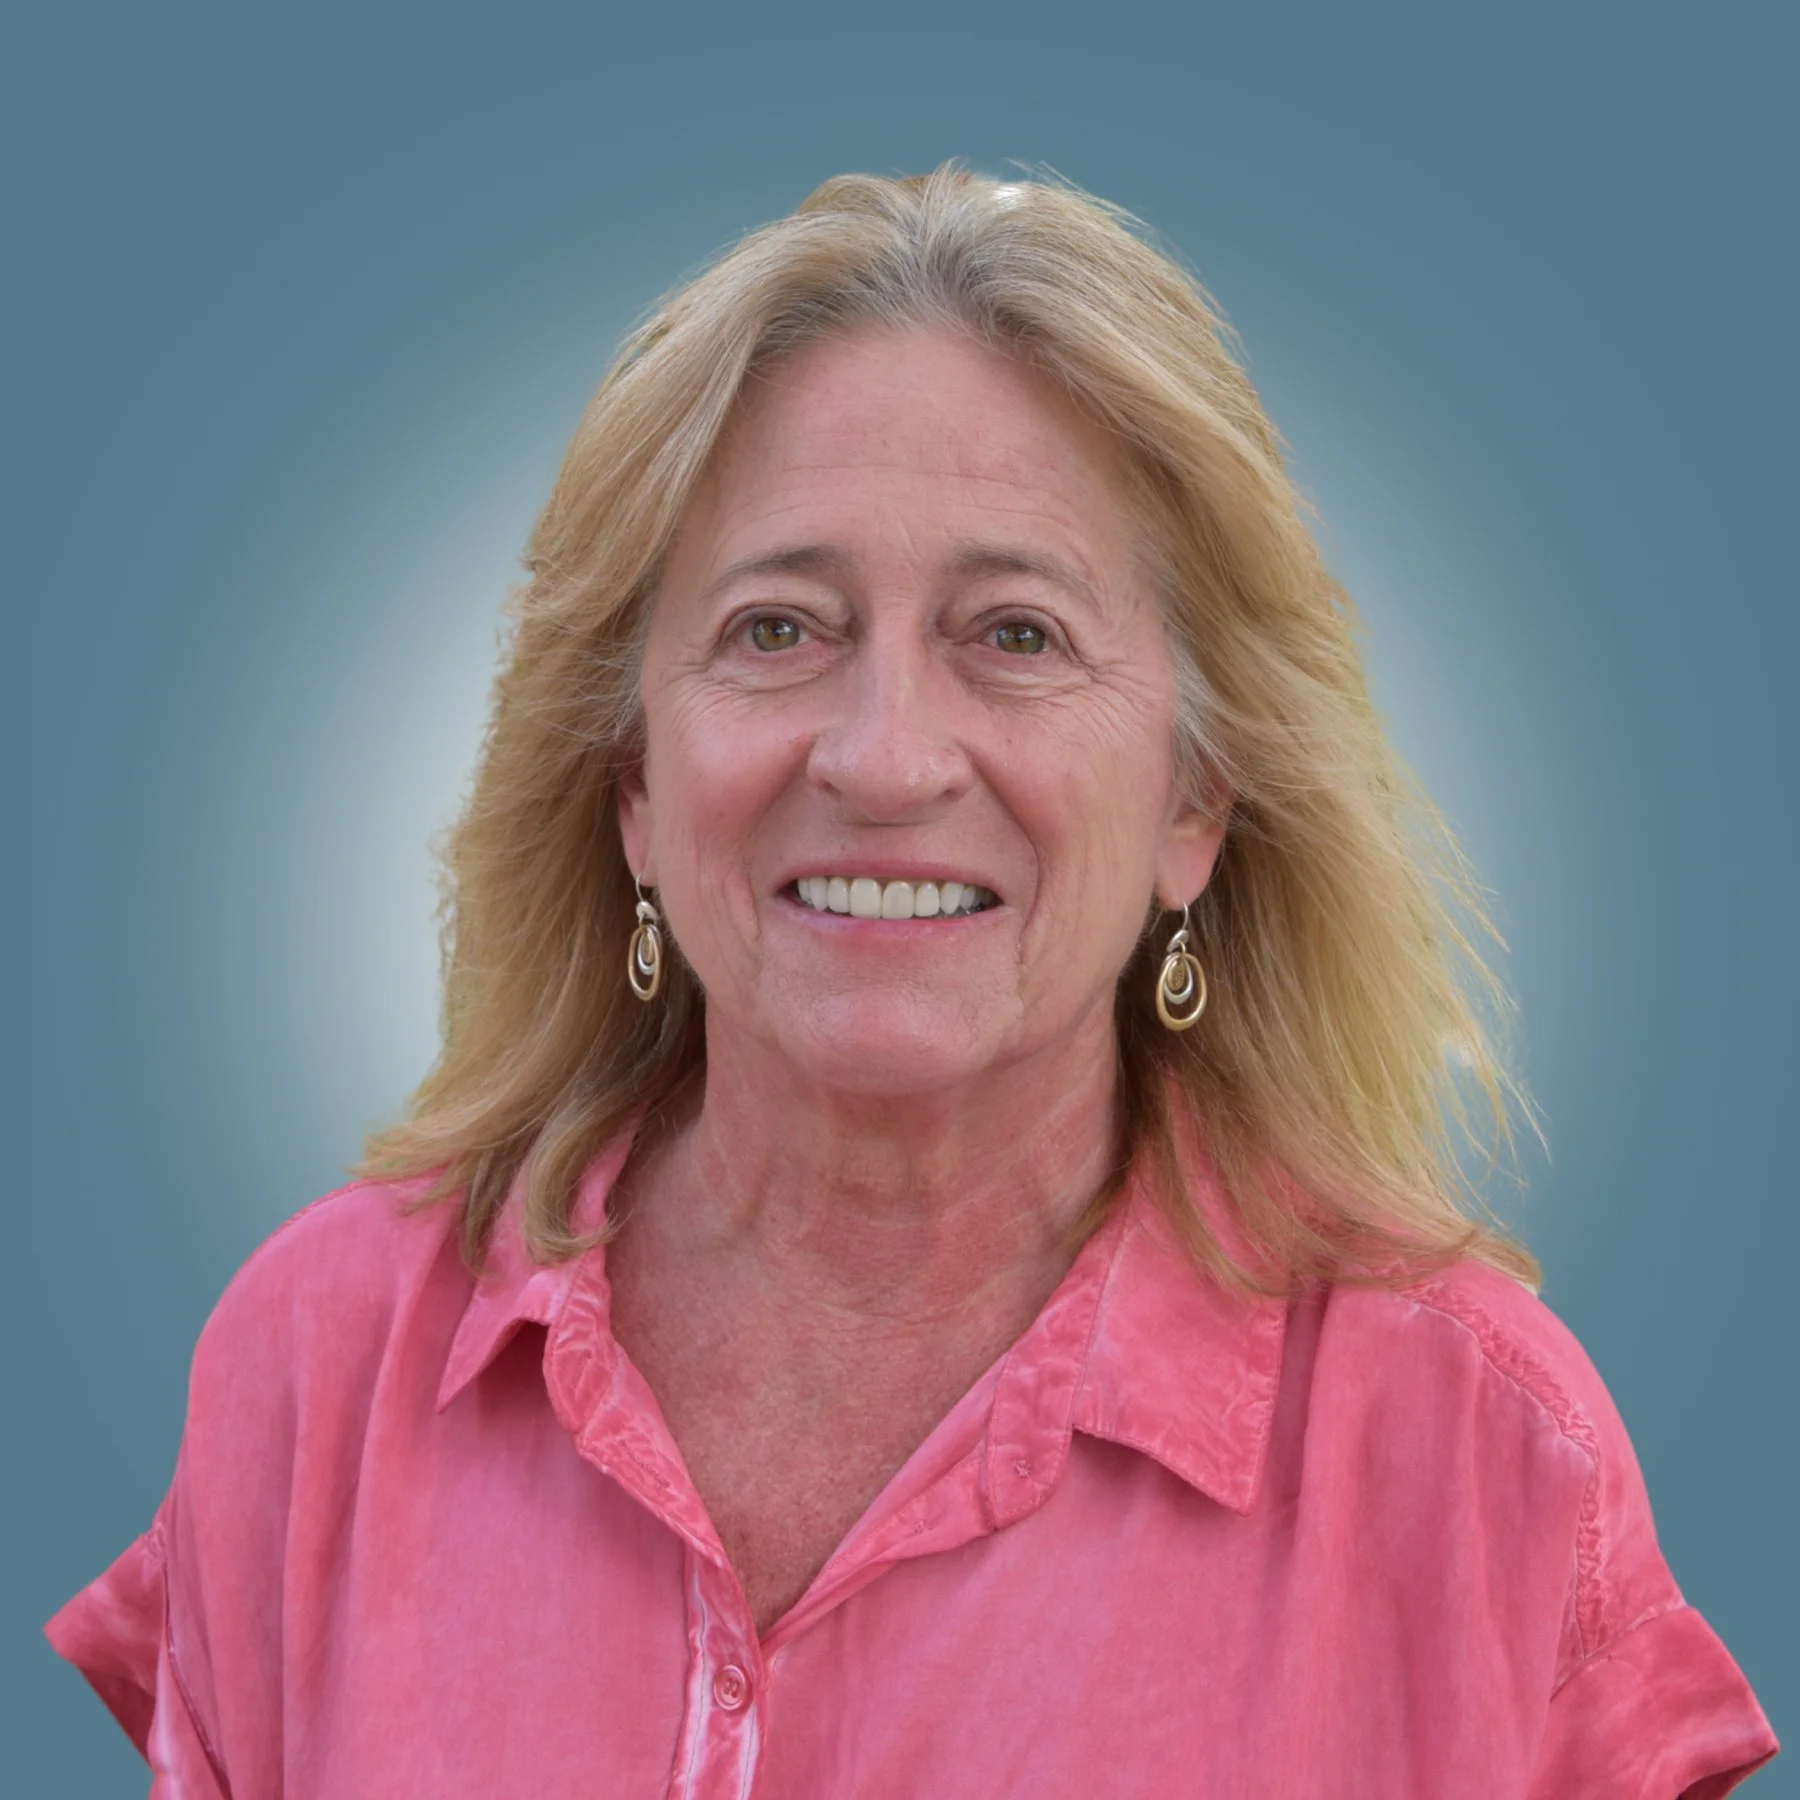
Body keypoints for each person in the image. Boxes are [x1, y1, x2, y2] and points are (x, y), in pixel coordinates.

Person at [48, 166, 1777, 1798]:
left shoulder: (1480, 1455)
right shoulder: (322, 1361)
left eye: (1013, 634)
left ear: (1195, 800)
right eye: (776, 630)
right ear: (634, 786)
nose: (883, 756)